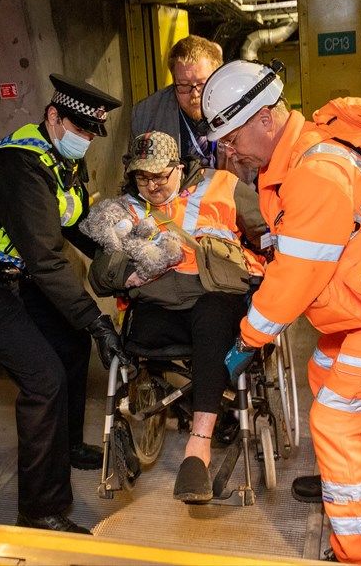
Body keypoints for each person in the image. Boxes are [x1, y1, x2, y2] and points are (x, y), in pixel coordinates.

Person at [203, 61, 361, 566]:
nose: (228, 150)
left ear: (265, 118)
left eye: (232, 137)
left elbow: (293, 283)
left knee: (336, 422)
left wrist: (247, 340)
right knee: (322, 373)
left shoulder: (314, 173)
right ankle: (341, 480)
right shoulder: (293, 158)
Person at [0, 74, 131, 534]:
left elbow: (69, 221)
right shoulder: (19, 164)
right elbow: (47, 259)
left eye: (93, 133)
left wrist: (121, 256)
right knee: (43, 379)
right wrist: (99, 321)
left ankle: (67, 445)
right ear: (54, 116)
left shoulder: (62, 159)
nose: (88, 139)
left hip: (11, 273)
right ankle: (40, 511)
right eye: (81, 129)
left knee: (69, 346)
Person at [86, 131, 267, 503]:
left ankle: (196, 451)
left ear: (179, 168)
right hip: (158, 309)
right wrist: (125, 273)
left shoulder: (222, 185)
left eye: (160, 176)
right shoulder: (125, 209)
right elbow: (98, 274)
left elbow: (267, 233)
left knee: (213, 324)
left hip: (214, 299)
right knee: (146, 336)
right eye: (142, 177)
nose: (152, 185)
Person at [131, 35, 223, 167]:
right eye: (184, 85)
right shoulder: (144, 115)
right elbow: (135, 177)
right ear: (174, 81)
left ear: (217, 78)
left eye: (202, 84)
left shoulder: (242, 105)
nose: (195, 94)